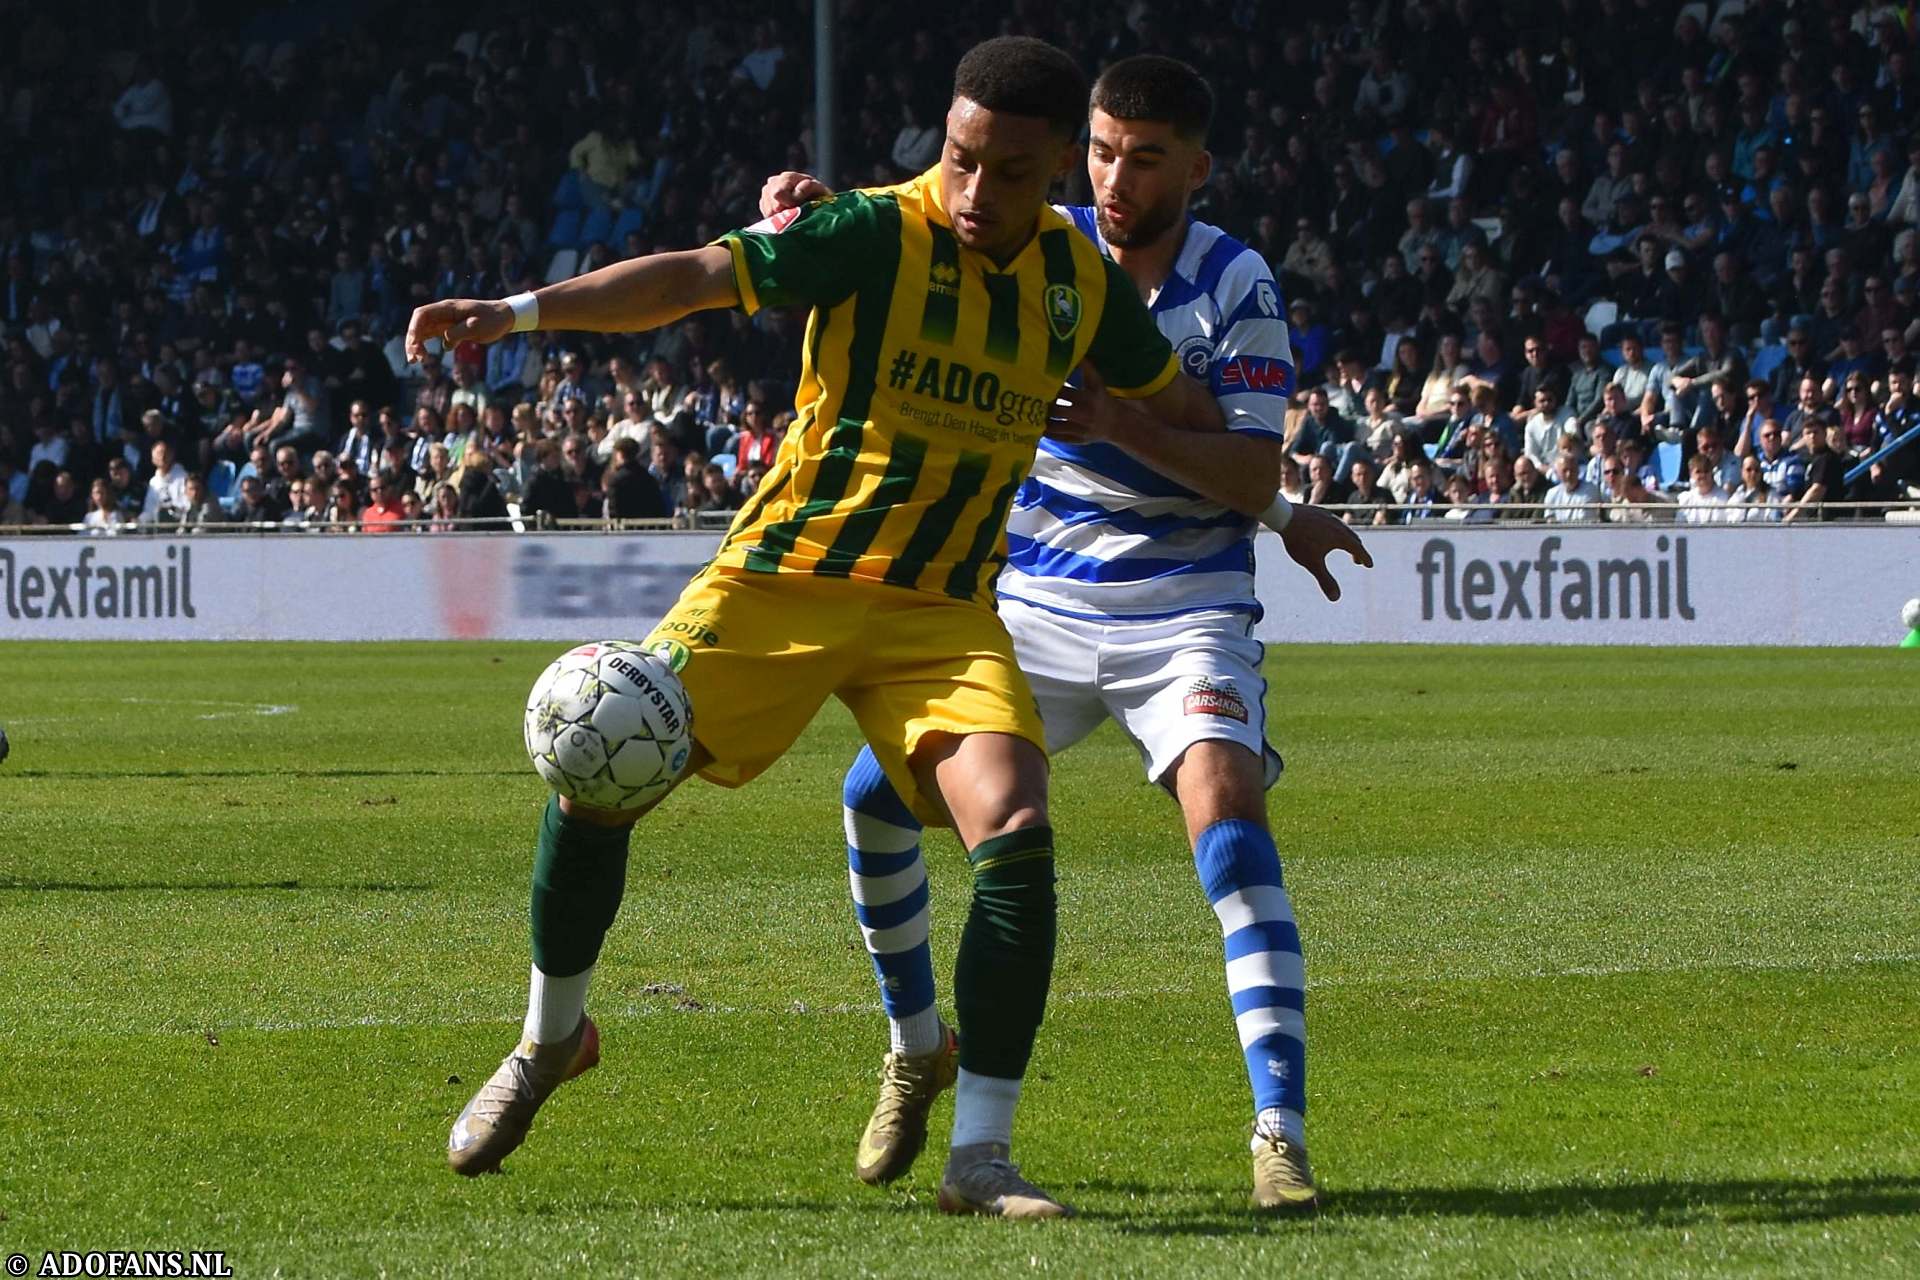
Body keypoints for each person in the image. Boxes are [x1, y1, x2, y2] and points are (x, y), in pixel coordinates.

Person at [408, 38, 1260, 1220]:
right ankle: (552, 1037)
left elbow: (1181, 409)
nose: (974, 193)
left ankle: (982, 1155)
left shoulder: (1081, 282)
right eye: (961, 160)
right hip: (785, 578)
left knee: (1014, 826)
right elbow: (699, 276)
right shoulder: (870, 231)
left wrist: (1278, 489)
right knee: (599, 769)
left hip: (942, 612)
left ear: (1060, 167)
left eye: (1011, 173)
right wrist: (516, 312)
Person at [757, 53, 1368, 1214]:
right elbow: (920, 220)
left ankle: (1278, 1132)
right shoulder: (1043, 240)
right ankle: (915, 1042)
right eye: (1098, 151)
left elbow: (1248, 463)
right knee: (871, 799)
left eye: (1143, 158)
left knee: (1229, 818)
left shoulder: (1235, 283)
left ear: (1197, 164)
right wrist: (809, 201)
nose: (1113, 178)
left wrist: (1141, 430)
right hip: (1030, 600)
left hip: (1183, 606)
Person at [1544, 451, 1603, 522]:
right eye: (1564, 470)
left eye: (1572, 470)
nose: (1568, 474)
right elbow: (1550, 521)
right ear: (1556, 473)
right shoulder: (1552, 493)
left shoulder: (1590, 490)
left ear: (1578, 470)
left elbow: (1584, 520)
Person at [1677, 454, 1730, 524]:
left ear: (1712, 472)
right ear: (1691, 474)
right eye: (1698, 472)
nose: (1703, 475)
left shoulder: (1724, 498)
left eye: (1706, 471)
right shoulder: (1685, 499)